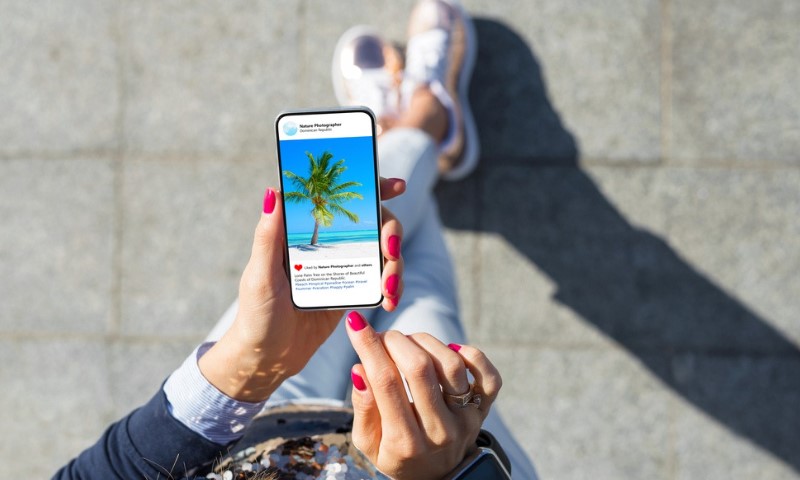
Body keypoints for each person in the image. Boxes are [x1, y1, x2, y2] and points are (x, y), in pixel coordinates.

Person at [56, 0, 537, 478]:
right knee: (429, 318)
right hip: (423, 448)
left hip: (252, 420)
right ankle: (424, 120)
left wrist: (247, 364)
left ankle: (415, 127)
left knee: (398, 263)